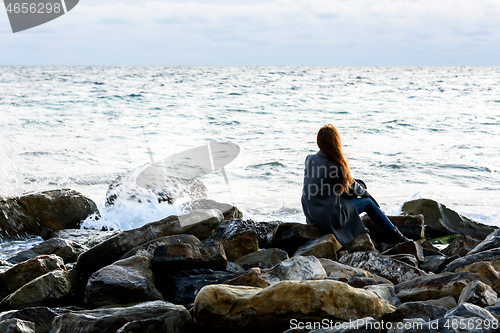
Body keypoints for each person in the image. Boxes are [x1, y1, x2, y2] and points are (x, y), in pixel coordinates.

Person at [301, 124, 410, 245]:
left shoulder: (309, 159)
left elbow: (327, 183)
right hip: (329, 217)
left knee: (346, 193)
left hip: (312, 214)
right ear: (335, 141)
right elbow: (353, 189)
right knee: (368, 202)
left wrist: (356, 184)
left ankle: (361, 228)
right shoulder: (336, 166)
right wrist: (366, 191)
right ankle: (396, 235)